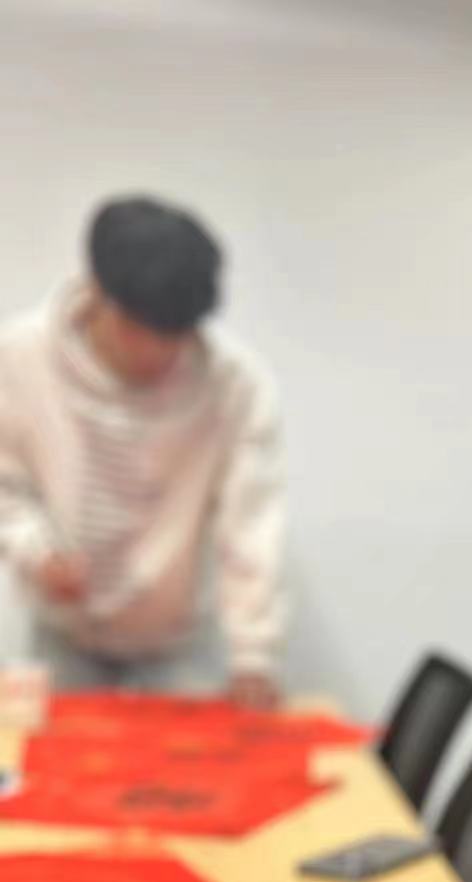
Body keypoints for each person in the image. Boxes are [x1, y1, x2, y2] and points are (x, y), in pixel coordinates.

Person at [0, 196, 285, 705]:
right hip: (66, 637)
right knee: (55, 756)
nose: (156, 353)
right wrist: (36, 551)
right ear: (96, 291)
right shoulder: (20, 360)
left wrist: (254, 655)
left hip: (177, 644)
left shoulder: (233, 386)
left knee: (197, 755)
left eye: (175, 336)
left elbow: (251, 527)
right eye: (136, 330)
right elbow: (5, 486)